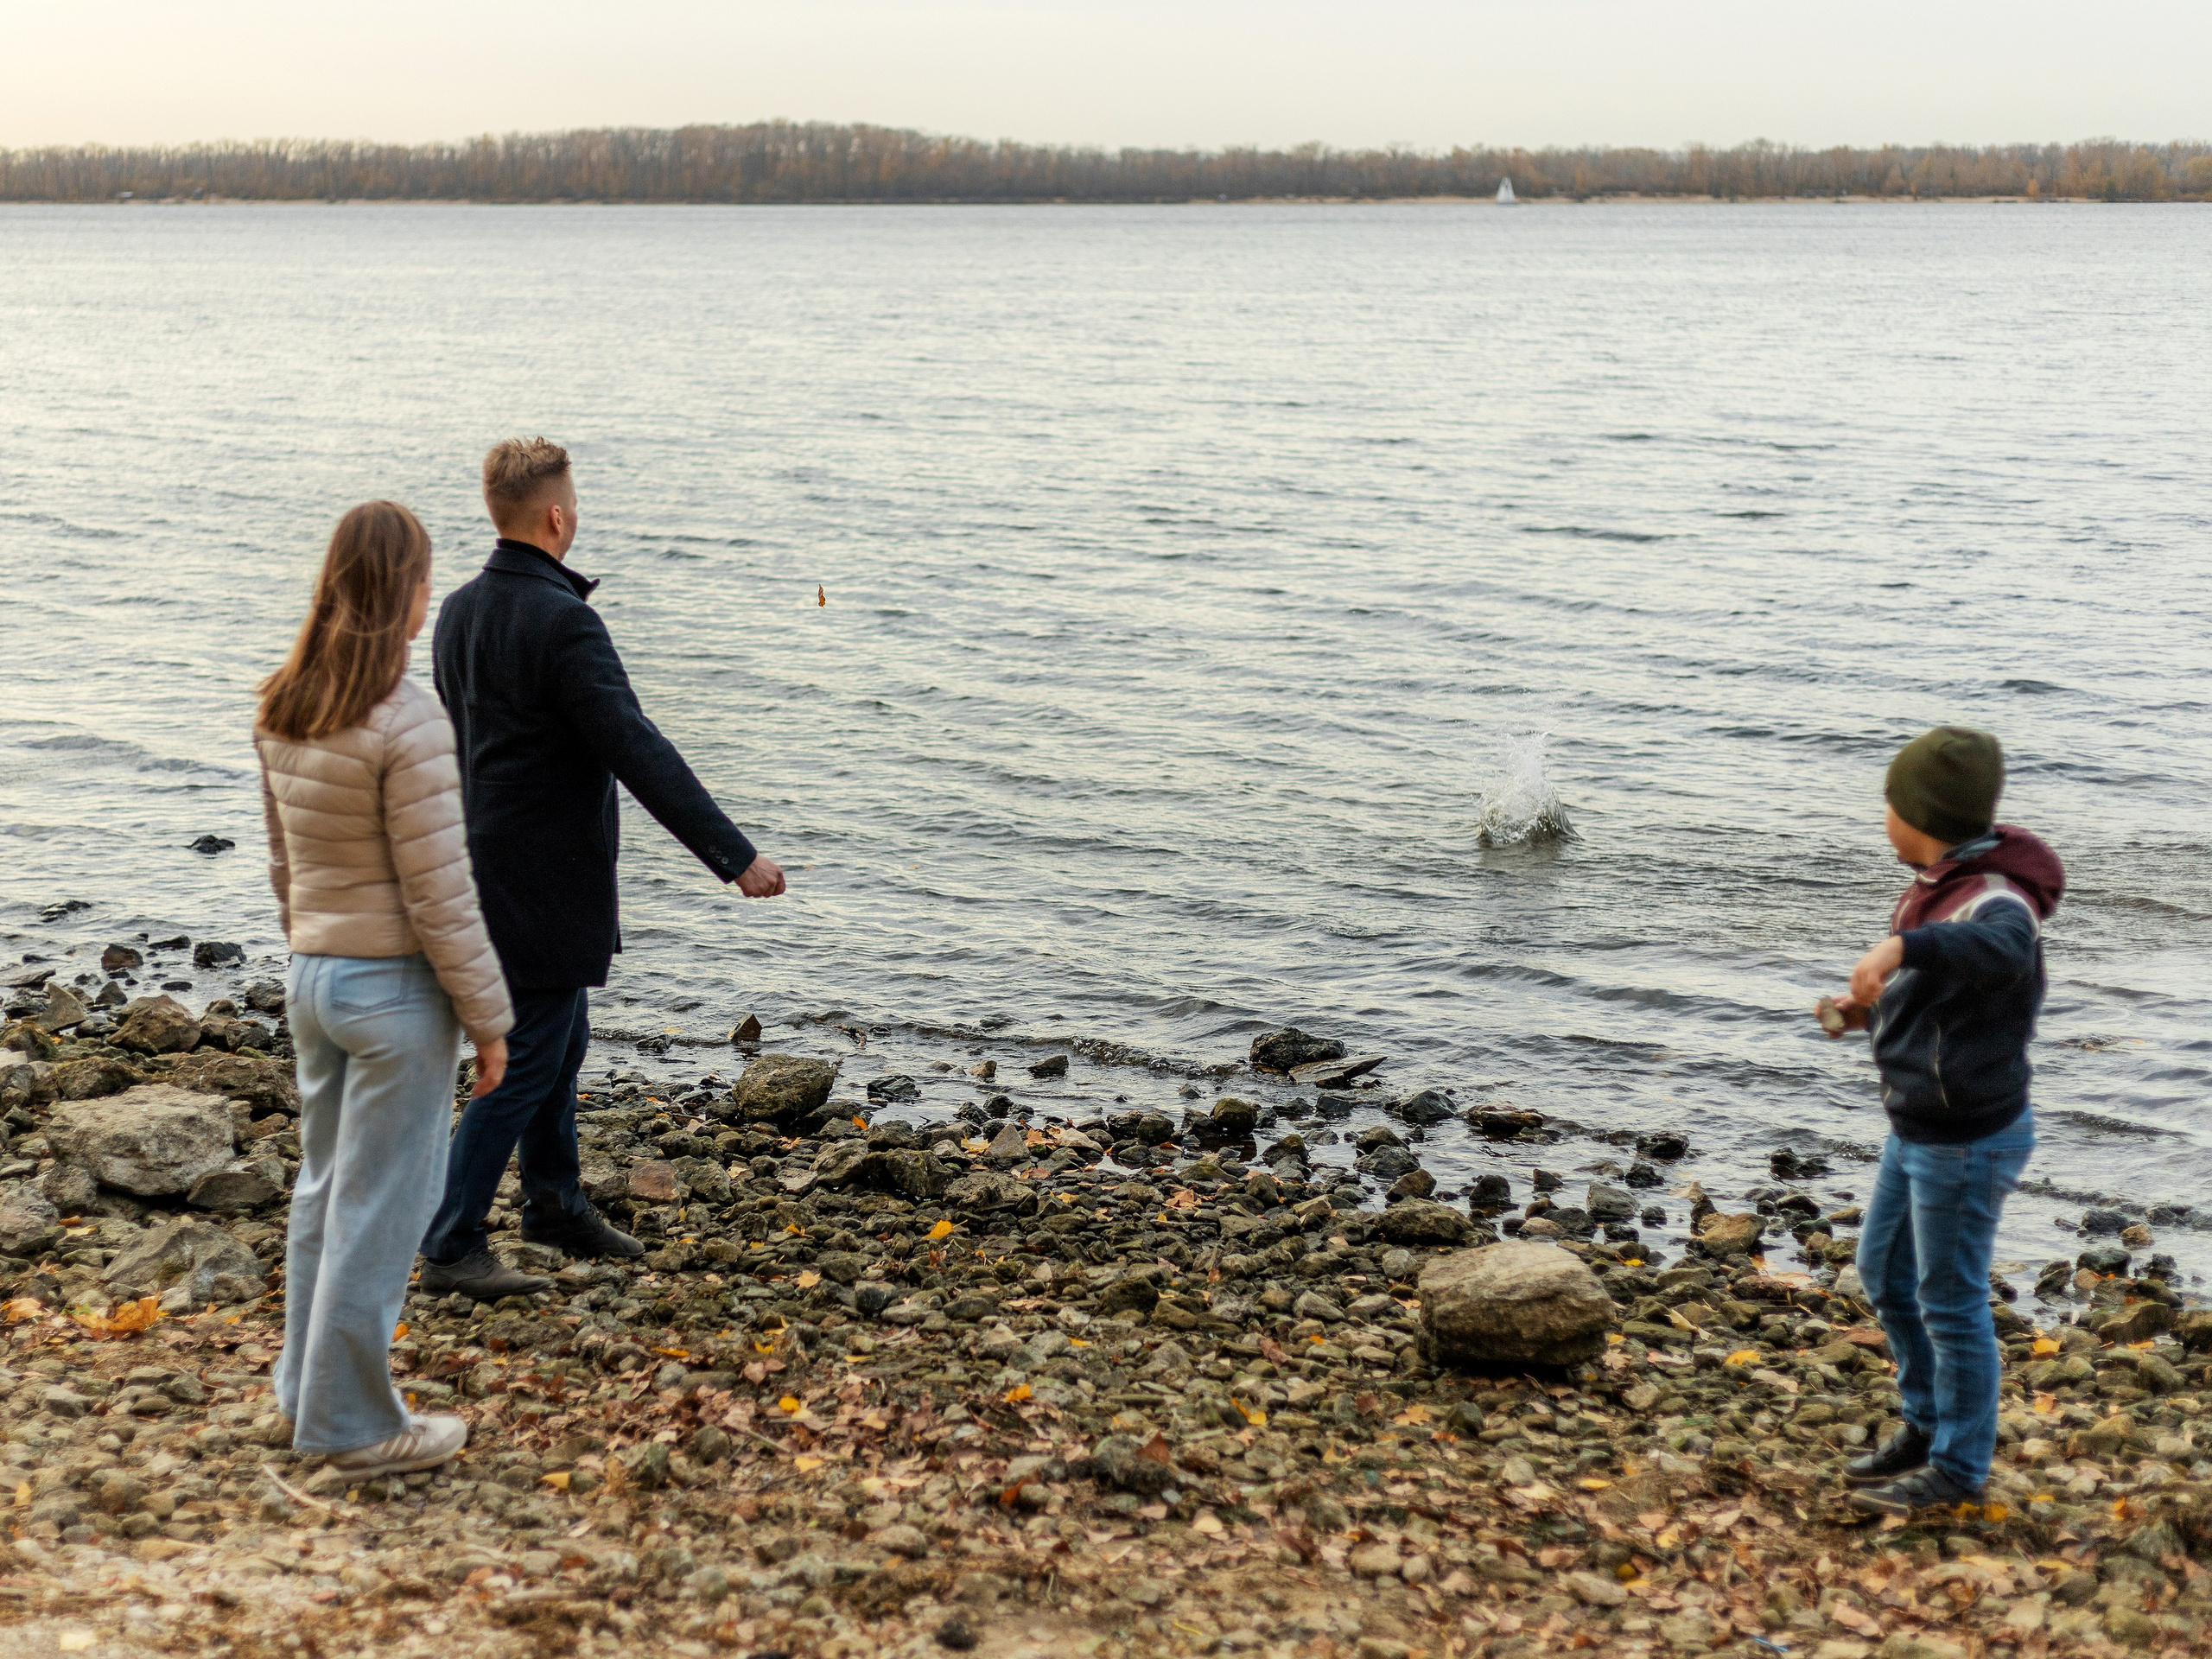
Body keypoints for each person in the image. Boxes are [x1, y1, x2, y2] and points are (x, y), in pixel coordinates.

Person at [418, 437, 785, 1300]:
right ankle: (451, 1245)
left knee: (563, 1038)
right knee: (529, 1054)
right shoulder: (565, 621)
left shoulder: (460, 610)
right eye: (572, 503)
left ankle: (552, 1204)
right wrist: (734, 857)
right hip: (541, 882)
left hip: (478, 866)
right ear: (556, 516)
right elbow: (637, 750)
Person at [256, 500, 514, 1476]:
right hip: (392, 992)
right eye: (423, 578)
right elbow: (442, 895)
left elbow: (285, 867)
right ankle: (354, 1426)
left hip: (314, 978)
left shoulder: (286, 701)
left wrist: (311, 952)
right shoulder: (407, 720)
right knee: (383, 1208)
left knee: (324, 1195)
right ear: (399, 590)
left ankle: (301, 1398)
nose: (427, 597)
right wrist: (490, 1020)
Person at [1822, 726, 2064, 1516]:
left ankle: (1960, 1467)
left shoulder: (1995, 898)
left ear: (1920, 813)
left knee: (1950, 1298)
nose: (1882, 815)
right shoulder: (1939, 880)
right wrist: (1865, 1016)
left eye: (1889, 802)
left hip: (1968, 1139)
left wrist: (1898, 950)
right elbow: (1946, 1003)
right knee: (1886, 1274)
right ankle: (1926, 1426)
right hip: (1920, 1126)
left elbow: (2000, 950)